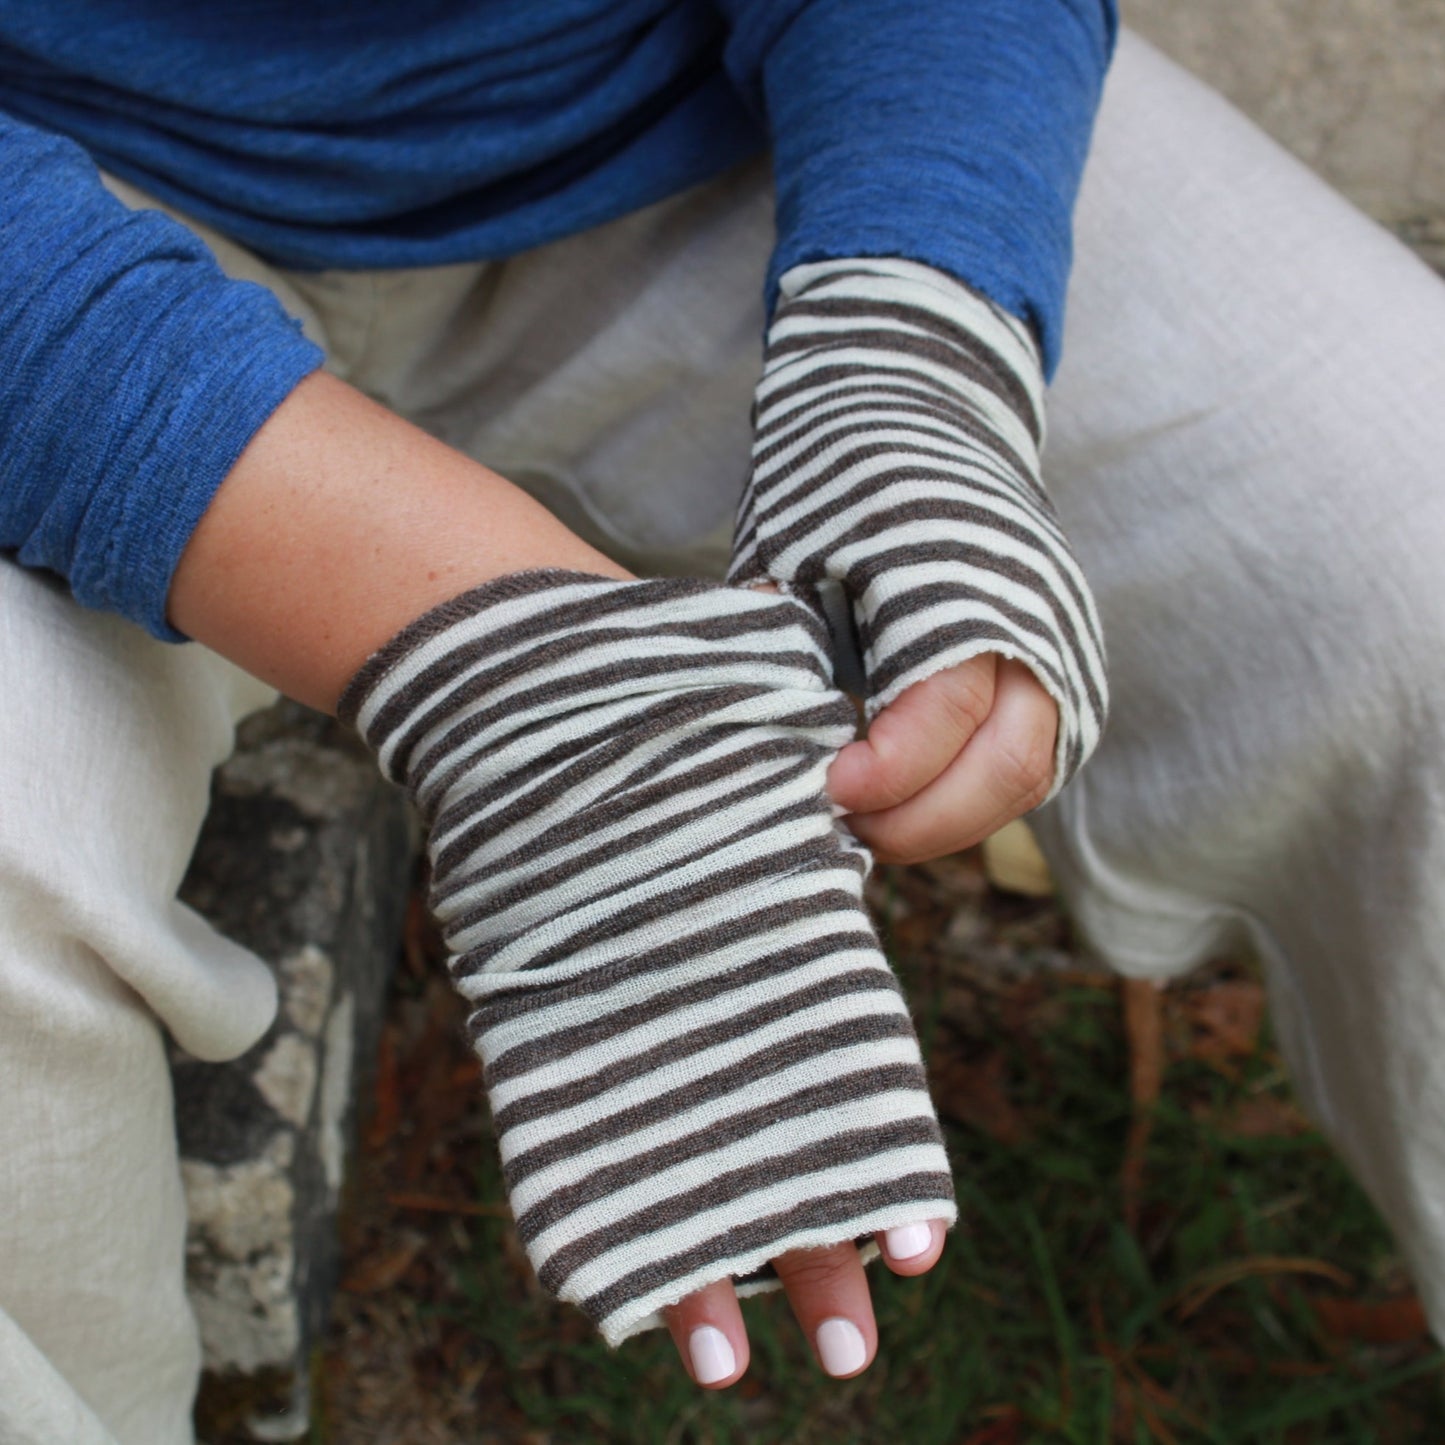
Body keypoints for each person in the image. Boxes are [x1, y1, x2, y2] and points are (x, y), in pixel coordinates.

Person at [2, 3, 1443, 1442]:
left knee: (1413, 560)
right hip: (57, 203)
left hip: (691, 120)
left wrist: (910, 347)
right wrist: (481, 643)